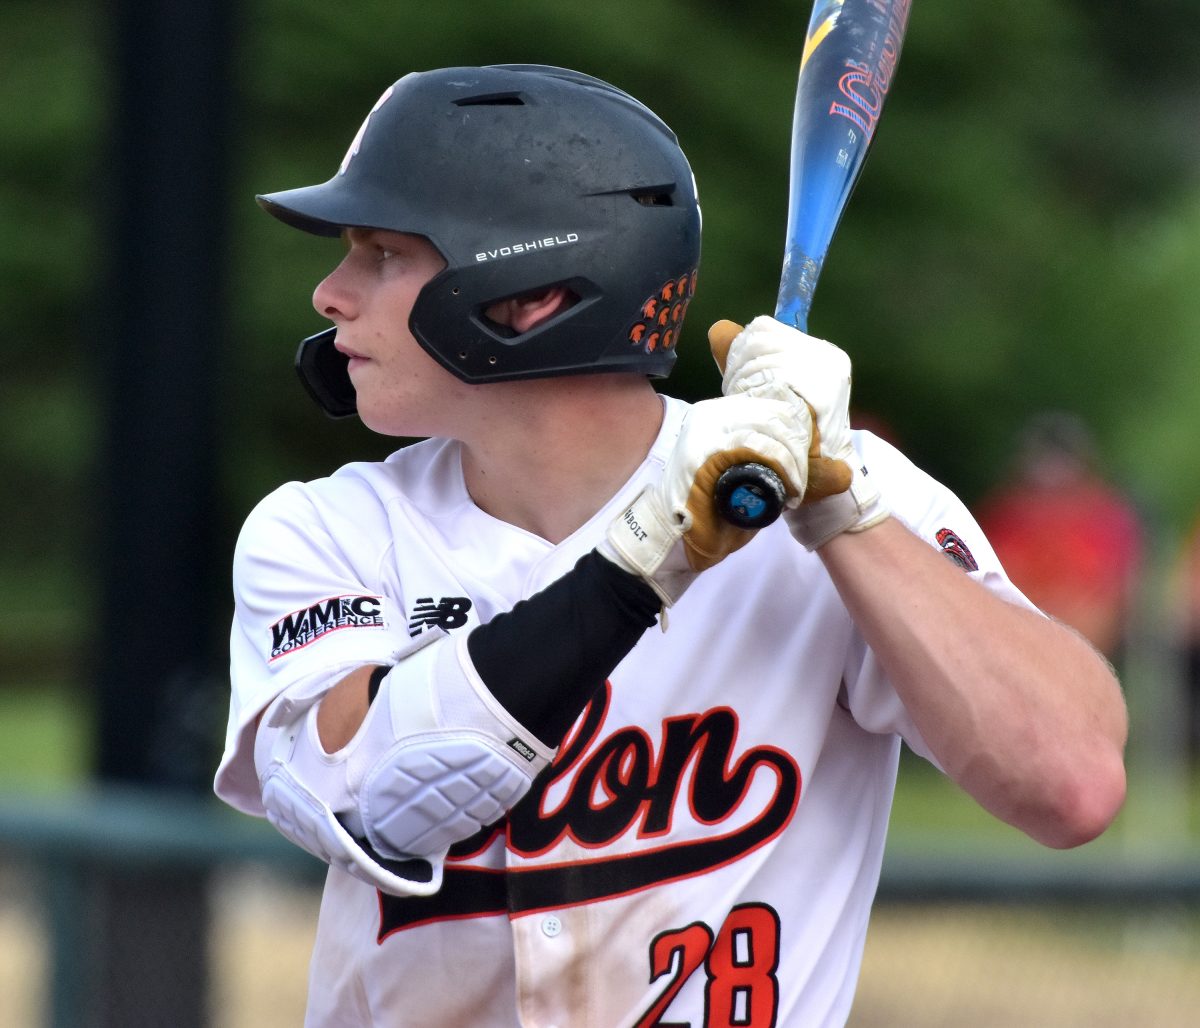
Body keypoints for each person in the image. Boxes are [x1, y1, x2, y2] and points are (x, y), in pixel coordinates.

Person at [213, 65, 1128, 1027]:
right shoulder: (326, 531)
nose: (330, 292)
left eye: (382, 253)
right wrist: (646, 562)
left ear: (529, 292)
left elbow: (1070, 786)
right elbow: (366, 801)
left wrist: (843, 509)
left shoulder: (833, 495)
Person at [976, 412, 1144, 664]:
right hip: (1019, 630)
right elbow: (989, 578)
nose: (1052, 470)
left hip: (1080, 639)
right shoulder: (1007, 514)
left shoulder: (1105, 516)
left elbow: (1114, 595)